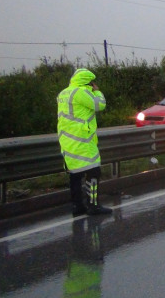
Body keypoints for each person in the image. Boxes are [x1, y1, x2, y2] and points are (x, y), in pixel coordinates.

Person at [57, 68, 112, 216]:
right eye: (92, 82)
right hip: (82, 140)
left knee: (75, 175)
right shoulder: (81, 92)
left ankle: (77, 206)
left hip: (67, 140)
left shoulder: (63, 93)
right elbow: (100, 105)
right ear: (87, 81)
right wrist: (97, 91)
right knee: (94, 172)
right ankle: (93, 206)